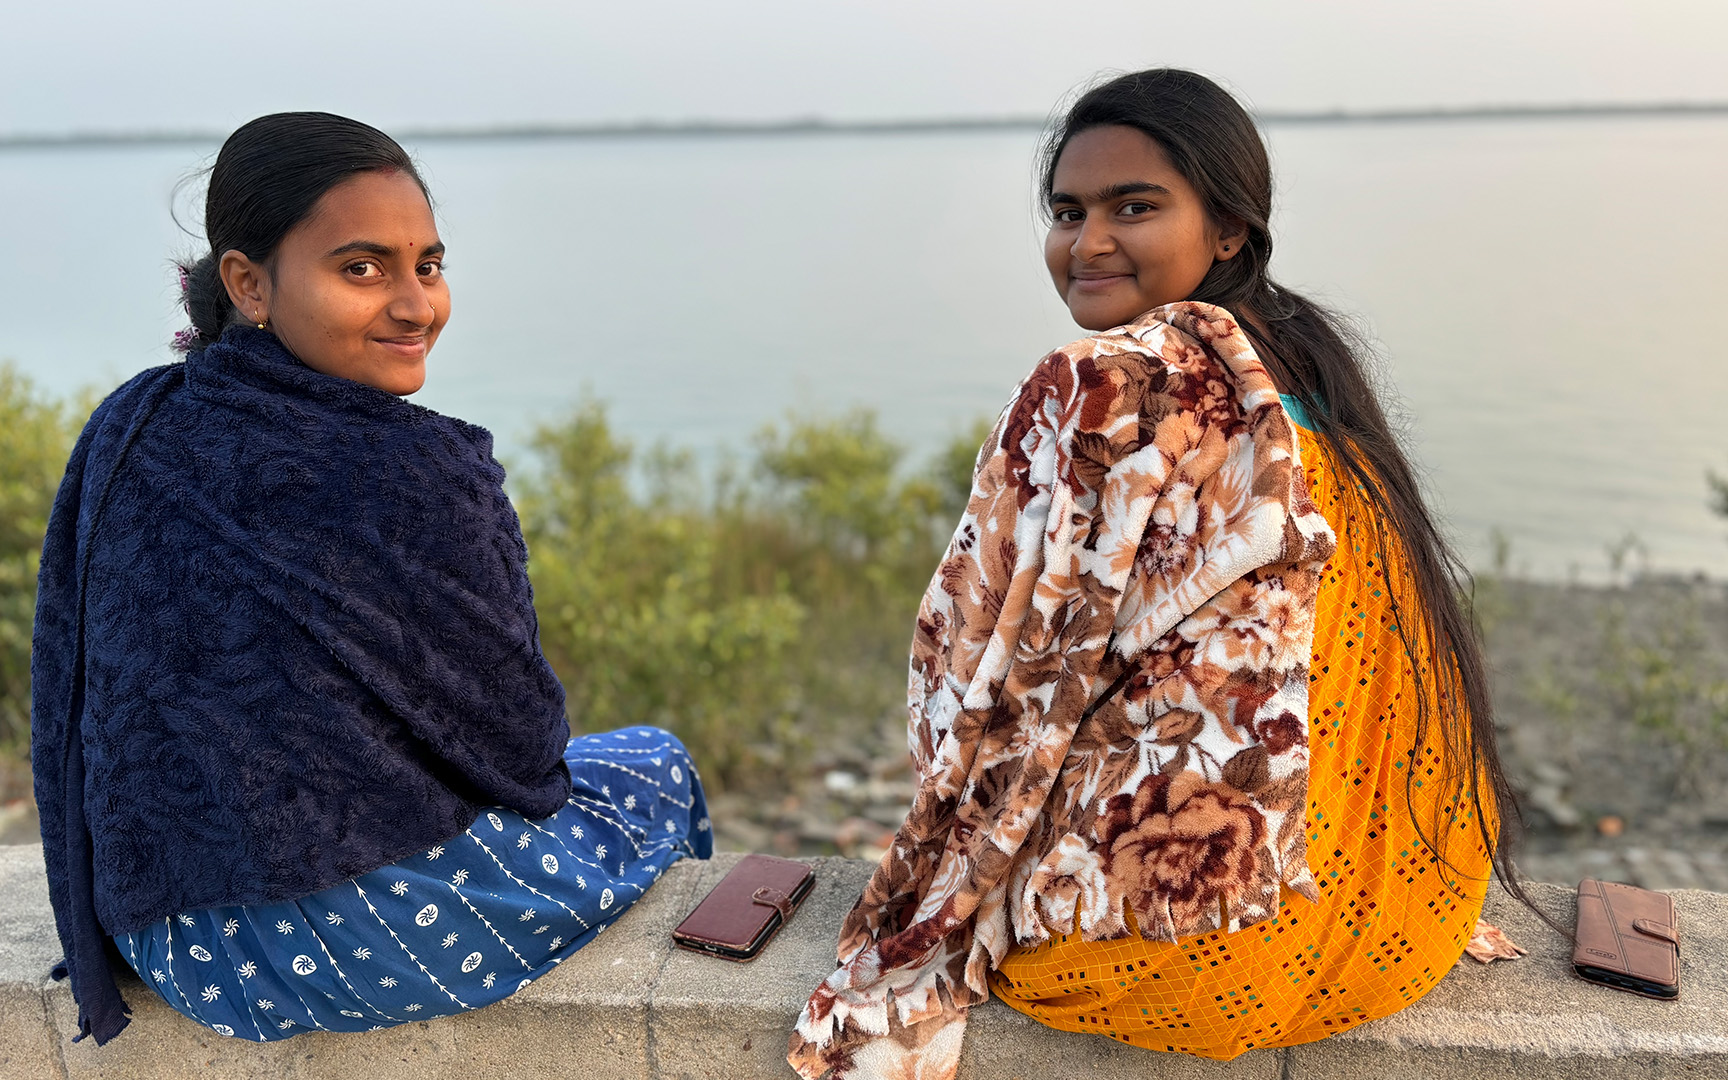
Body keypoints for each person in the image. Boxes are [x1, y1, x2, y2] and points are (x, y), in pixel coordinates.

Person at [789, 69, 1524, 1079]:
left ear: (1227, 230)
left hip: (1186, 961)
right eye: (1067, 211)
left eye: (1133, 207)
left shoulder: (1105, 377)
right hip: (1388, 931)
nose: (1088, 241)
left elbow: (966, 671)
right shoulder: (1304, 373)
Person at [31, 112, 710, 1046]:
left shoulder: (133, 424)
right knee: (653, 768)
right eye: (361, 269)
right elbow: (524, 755)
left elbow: (78, 699)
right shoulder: (416, 469)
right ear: (248, 283)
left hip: (171, 938)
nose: (414, 304)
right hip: (353, 943)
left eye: (426, 265)